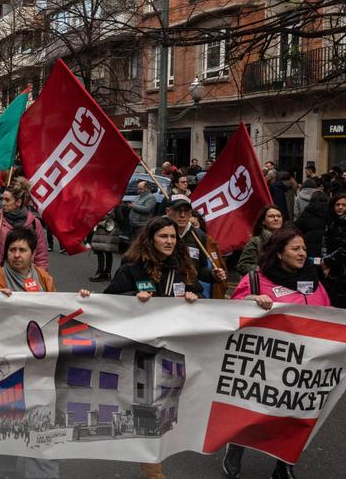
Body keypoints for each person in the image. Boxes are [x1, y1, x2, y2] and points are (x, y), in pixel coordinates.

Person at [79, 216, 200, 479]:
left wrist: (195, 296)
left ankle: (150, 463)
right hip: (140, 353)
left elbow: (199, 296)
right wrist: (132, 298)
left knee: (165, 409)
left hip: (174, 350)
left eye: (173, 236)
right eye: (163, 236)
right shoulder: (132, 268)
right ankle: (152, 469)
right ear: (150, 239)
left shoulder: (183, 268)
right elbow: (109, 301)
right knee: (149, 407)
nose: (169, 241)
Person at [224, 228, 332, 479]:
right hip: (265, 362)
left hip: (303, 362)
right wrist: (251, 301)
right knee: (253, 410)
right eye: (295, 249)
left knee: (295, 415)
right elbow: (231, 314)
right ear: (280, 253)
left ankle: (284, 465)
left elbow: (329, 315)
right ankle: (237, 444)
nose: (302, 253)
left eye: (304, 248)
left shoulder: (313, 281)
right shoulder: (257, 279)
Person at [0, 226, 59, 479]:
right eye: (12, 249)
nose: (17, 255)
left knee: (39, 413)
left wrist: (82, 299)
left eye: (23, 250)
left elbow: (56, 311)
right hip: (5, 359)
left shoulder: (44, 278)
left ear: (33, 253)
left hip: (37, 360)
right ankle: (6, 465)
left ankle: (41, 469)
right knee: (6, 415)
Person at [0, 179, 49, 272]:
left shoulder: (34, 223)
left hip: (25, 275)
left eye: (7, 200)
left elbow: (41, 254)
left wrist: (41, 274)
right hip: (0, 273)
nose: (3, 203)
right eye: (3, 199)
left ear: (18, 202)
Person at [165, 195, 227, 293]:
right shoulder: (156, 231)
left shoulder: (199, 235)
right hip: (163, 293)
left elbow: (200, 269)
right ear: (168, 211)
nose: (182, 215)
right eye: (178, 210)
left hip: (190, 293)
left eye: (186, 211)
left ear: (190, 213)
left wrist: (212, 275)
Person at [236, 205, 286, 279]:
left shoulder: (289, 239)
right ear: (263, 222)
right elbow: (243, 266)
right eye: (271, 216)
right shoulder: (256, 241)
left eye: (279, 216)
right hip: (265, 282)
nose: (276, 219)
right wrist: (265, 270)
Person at [89, 210, 121, 282]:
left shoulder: (108, 206)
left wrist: (97, 222)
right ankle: (107, 273)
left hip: (105, 230)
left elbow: (103, 216)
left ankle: (100, 273)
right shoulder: (115, 205)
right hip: (109, 230)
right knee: (107, 252)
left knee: (100, 251)